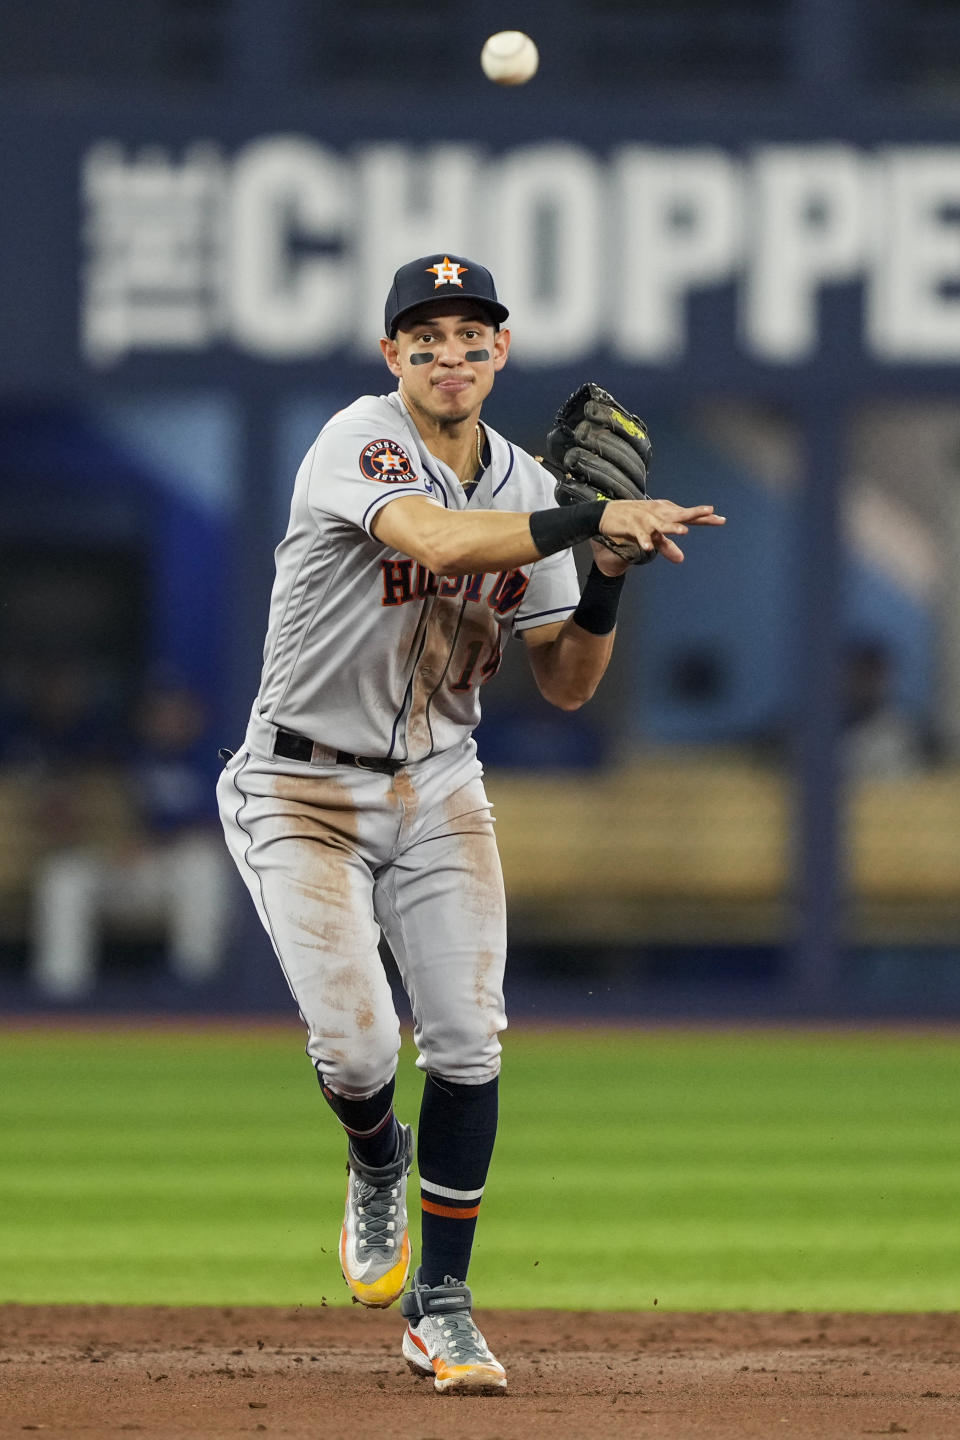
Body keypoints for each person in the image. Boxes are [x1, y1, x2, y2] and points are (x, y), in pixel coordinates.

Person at [216, 252, 725, 1395]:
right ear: (393, 355)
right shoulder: (360, 440)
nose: (451, 353)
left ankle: (442, 1307)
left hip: (439, 784)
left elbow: (568, 683)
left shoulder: (530, 487)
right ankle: (375, 1157)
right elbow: (439, 547)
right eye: (427, 336)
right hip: (299, 787)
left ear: (501, 353)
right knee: (354, 1049)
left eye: (472, 334)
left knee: (466, 1040)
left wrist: (606, 571)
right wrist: (589, 512)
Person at [30, 679, 229, 1000]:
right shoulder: (120, 754)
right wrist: (108, 839)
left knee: (203, 865)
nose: (168, 720)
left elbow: (222, 829)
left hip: (165, 871)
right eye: (160, 712)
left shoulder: (214, 764)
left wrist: (154, 841)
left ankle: (194, 987)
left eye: (177, 713)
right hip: (113, 866)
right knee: (64, 876)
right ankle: (61, 996)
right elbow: (74, 809)